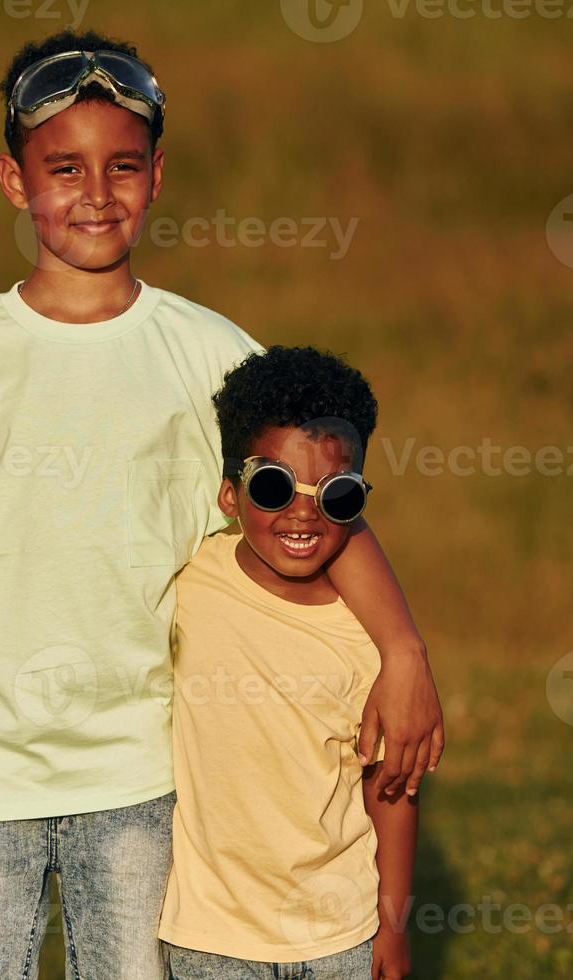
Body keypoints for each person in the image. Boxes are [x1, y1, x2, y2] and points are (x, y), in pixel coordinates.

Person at [0, 29, 441, 979]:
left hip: (143, 777)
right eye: (63, 168)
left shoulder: (214, 355)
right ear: (12, 180)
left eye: (122, 166)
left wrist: (403, 651)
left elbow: (319, 509)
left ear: (157, 176)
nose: (95, 193)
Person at [160, 345, 417, 980]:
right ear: (229, 494)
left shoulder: (369, 639)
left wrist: (392, 928)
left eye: (337, 495)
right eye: (275, 486)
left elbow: (391, 790)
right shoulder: (187, 582)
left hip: (340, 935)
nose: (302, 513)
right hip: (210, 939)